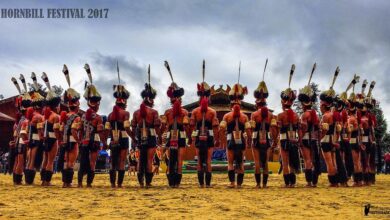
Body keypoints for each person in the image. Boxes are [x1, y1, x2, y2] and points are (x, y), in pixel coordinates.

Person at [189, 60, 219, 188]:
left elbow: (192, 126)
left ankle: (203, 183)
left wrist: (192, 137)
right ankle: (204, 183)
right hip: (207, 137)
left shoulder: (197, 111)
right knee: (205, 160)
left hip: (205, 137)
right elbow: (214, 127)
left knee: (202, 160)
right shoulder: (209, 112)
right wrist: (216, 138)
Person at [248, 59, 278, 188]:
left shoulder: (254, 115)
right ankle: (265, 184)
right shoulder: (271, 115)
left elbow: (250, 129)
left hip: (256, 138)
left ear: (256, 103)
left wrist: (249, 138)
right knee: (265, 161)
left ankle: (258, 184)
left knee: (257, 162)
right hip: (267, 138)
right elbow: (274, 129)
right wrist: (275, 140)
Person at [131, 65, 161, 188]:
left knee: (140, 160)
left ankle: (141, 181)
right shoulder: (154, 112)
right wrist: (159, 136)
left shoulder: (136, 113)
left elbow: (133, 126)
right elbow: (157, 126)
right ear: (150, 99)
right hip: (151, 136)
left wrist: (134, 137)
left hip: (139, 136)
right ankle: (148, 182)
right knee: (149, 160)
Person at [161, 61, 190, 188]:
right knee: (179, 160)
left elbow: (163, 127)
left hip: (170, 136)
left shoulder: (167, 112)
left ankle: (172, 182)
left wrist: (161, 135)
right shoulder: (184, 112)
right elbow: (186, 126)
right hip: (181, 136)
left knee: (171, 160)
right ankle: (176, 183)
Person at [78, 64, 104, 188]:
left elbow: (78, 129)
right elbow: (100, 130)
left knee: (83, 160)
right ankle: (88, 184)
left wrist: (79, 139)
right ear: (96, 105)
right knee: (92, 162)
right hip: (94, 140)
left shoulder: (82, 116)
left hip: (84, 141)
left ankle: (79, 183)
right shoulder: (98, 118)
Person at [105, 65, 131, 188]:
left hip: (113, 138)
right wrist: (134, 137)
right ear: (124, 102)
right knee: (121, 161)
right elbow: (126, 128)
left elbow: (106, 130)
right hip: (124, 137)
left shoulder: (110, 115)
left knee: (112, 161)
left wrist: (105, 141)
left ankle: (112, 184)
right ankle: (119, 184)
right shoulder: (126, 113)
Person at [297, 63, 321, 187]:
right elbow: (318, 128)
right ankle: (315, 182)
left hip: (306, 139)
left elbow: (304, 128)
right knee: (314, 160)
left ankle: (309, 182)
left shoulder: (304, 115)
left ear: (303, 103)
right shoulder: (315, 114)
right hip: (314, 139)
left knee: (307, 160)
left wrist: (299, 138)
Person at [277, 64, 300, 187]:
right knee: (292, 162)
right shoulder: (297, 116)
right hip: (294, 139)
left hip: (284, 139)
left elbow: (278, 128)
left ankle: (287, 184)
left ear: (282, 101)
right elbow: (300, 129)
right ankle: (293, 183)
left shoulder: (280, 115)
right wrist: (299, 139)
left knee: (285, 162)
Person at [319, 67, 341, 187]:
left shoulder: (325, 117)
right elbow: (337, 129)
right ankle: (336, 180)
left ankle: (333, 181)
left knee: (329, 161)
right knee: (333, 160)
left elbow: (324, 130)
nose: (320, 107)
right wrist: (335, 140)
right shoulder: (334, 115)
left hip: (326, 140)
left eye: (321, 105)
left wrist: (320, 138)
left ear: (323, 105)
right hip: (333, 139)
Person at [60, 65, 81, 188]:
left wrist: (61, 139)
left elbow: (61, 129)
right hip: (72, 141)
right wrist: (78, 140)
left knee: (66, 161)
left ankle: (65, 182)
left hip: (64, 140)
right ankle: (68, 182)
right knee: (71, 162)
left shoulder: (64, 116)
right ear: (77, 105)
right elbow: (73, 130)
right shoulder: (77, 117)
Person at [40, 72, 61, 186]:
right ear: (55, 105)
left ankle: (43, 180)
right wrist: (60, 138)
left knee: (45, 159)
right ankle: (47, 181)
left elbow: (42, 128)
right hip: (53, 139)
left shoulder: (45, 116)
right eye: (58, 105)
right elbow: (57, 130)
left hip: (46, 139)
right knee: (50, 161)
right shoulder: (56, 117)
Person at [10, 75, 32, 185]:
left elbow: (15, 132)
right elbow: (22, 132)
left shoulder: (19, 119)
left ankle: (16, 179)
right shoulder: (25, 119)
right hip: (22, 141)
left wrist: (15, 140)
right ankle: (18, 180)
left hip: (18, 141)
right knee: (21, 161)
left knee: (18, 161)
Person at [24, 72, 45, 185]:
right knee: (33, 160)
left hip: (31, 138)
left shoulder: (31, 116)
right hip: (36, 139)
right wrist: (42, 137)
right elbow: (40, 129)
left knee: (29, 159)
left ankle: (28, 180)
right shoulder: (39, 117)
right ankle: (29, 180)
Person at [363, 81, 377, 184]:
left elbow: (372, 128)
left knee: (366, 159)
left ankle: (368, 178)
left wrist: (372, 140)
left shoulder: (370, 116)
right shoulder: (369, 115)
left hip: (367, 138)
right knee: (367, 160)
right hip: (368, 138)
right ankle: (369, 178)